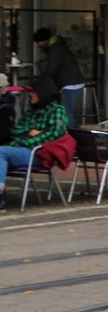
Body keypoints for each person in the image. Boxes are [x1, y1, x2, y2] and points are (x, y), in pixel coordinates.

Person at [0, 76, 69, 212]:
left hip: (38, 153)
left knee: (1, 151)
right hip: (21, 150)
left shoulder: (57, 111)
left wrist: (28, 138)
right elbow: (16, 130)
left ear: (43, 92)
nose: (30, 95)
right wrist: (31, 131)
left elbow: (54, 134)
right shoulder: (31, 112)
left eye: (32, 92)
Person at [33, 26, 85, 128]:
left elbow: (51, 68)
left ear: (44, 40)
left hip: (70, 83)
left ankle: (69, 134)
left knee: (66, 111)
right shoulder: (57, 47)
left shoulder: (55, 49)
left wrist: (40, 81)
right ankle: (67, 133)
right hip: (71, 82)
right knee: (66, 110)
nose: (38, 44)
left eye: (38, 42)